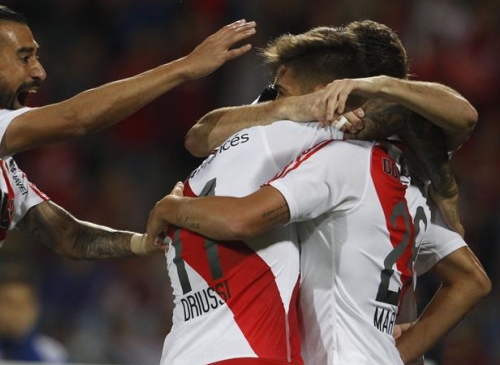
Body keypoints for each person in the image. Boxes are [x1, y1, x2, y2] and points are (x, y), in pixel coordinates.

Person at [0, 2, 257, 365]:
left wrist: (146, 241)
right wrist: (185, 67)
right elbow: (75, 119)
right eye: (25, 57)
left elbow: (70, 237)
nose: (40, 72)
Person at [148, 21, 489, 365]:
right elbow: (472, 281)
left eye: (280, 92)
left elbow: (241, 217)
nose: (273, 101)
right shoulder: (406, 182)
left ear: (336, 92)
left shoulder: (338, 155)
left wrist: (171, 208)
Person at [0, 272, 69, 363]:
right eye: (9, 303)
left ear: (36, 309)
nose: (16, 311)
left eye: (24, 304)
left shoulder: (53, 355)